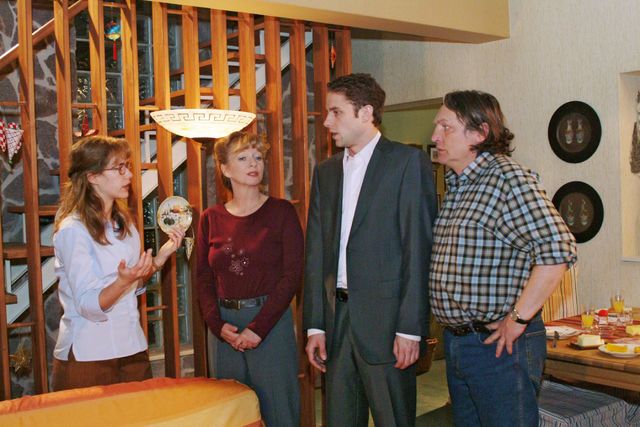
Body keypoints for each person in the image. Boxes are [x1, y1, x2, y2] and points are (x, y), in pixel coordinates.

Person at [429, 90, 578, 427]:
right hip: (459, 343)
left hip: (497, 346)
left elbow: (559, 248)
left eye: (445, 127)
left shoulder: (507, 178)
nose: (435, 136)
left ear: (479, 133)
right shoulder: (458, 184)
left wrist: (518, 318)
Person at [303, 73, 437, 427]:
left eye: (336, 112)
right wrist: (315, 325)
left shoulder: (407, 163)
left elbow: (418, 251)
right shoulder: (326, 173)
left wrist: (410, 329)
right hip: (336, 323)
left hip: (388, 326)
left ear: (365, 113)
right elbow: (316, 255)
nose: (327, 122)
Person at [52, 135, 184, 391]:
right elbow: (88, 305)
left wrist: (158, 260)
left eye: (128, 166)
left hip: (132, 348)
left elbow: (134, 287)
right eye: (119, 168)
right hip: (88, 354)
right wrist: (123, 282)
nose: (129, 175)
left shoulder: (125, 225)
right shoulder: (73, 230)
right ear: (92, 176)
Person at [196, 132, 303, 427]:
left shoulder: (282, 212)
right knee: (230, 415)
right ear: (225, 169)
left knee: (280, 413)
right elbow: (203, 278)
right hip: (224, 329)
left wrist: (258, 328)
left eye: (258, 157)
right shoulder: (210, 218)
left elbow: (292, 275)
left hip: (270, 323)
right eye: (243, 158)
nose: (253, 163)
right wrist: (217, 325)